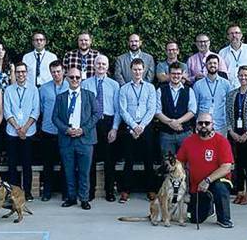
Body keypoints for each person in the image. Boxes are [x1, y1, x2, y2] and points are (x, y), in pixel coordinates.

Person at [176, 112, 234, 227]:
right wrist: (179, 175)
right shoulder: (189, 141)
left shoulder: (221, 141)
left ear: (212, 125)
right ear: (196, 125)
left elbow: (226, 167)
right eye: (200, 123)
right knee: (193, 219)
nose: (203, 125)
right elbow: (180, 161)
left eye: (207, 123)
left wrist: (207, 180)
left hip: (216, 181)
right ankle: (209, 209)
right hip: (197, 186)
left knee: (220, 188)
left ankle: (223, 219)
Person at [52, 67, 97, 210]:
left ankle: (84, 198)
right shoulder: (61, 97)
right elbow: (55, 117)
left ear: (81, 79)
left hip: (85, 139)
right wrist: (66, 130)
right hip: (67, 139)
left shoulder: (89, 95)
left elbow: (96, 114)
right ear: (67, 78)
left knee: (84, 172)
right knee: (68, 171)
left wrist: (83, 130)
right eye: (72, 77)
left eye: (77, 77)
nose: (75, 80)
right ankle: (71, 197)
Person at [115, 58, 158, 203]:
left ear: (144, 70)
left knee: (148, 159)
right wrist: (134, 126)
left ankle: (151, 189)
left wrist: (142, 126)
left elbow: (152, 109)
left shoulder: (150, 88)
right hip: (130, 127)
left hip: (146, 127)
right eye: (135, 69)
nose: (137, 72)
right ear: (131, 70)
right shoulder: (124, 88)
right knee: (129, 159)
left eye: (140, 69)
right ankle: (125, 190)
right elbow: (122, 110)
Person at [82, 55, 120, 202]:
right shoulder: (85, 83)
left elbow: (117, 109)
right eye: (98, 63)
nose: (101, 66)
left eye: (104, 64)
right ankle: (90, 191)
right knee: (90, 159)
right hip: (91, 124)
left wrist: (115, 128)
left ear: (107, 66)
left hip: (108, 123)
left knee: (109, 160)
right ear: (94, 65)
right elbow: (84, 108)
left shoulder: (114, 85)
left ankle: (109, 191)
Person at [225, 66, 247, 205]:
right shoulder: (232, 94)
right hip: (235, 133)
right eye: (241, 75)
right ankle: (239, 192)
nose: (243, 78)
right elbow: (227, 114)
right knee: (238, 165)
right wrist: (231, 131)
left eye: (246, 75)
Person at [3, 62, 40, 198]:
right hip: (12, 132)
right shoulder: (8, 90)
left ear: (27, 73)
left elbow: (36, 111)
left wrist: (24, 128)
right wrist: (18, 128)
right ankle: (14, 192)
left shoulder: (34, 89)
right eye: (18, 72)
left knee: (27, 164)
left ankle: (28, 192)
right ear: (15, 74)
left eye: (23, 71)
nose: (20, 74)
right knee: (12, 165)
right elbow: (7, 112)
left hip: (29, 132)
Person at [37, 60, 68, 201]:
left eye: (58, 71)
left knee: (65, 163)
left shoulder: (70, 86)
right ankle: (47, 192)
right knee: (47, 164)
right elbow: (42, 109)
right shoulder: (43, 88)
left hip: (65, 131)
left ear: (63, 71)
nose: (56, 74)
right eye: (53, 72)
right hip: (48, 130)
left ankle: (65, 192)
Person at [154, 62, 197, 155]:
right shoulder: (160, 90)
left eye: (178, 74)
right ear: (169, 75)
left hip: (185, 133)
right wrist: (171, 122)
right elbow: (157, 112)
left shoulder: (189, 90)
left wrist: (177, 122)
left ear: (182, 75)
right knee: (168, 165)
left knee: (186, 164)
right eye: (173, 73)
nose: (176, 76)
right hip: (166, 135)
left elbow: (192, 111)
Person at [192, 54, 232, 134]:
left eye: (215, 63)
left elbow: (229, 104)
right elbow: (195, 106)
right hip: (203, 126)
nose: (212, 65)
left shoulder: (226, 84)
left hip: (221, 125)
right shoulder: (198, 85)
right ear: (206, 65)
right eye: (210, 63)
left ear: (218, 65)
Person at [218, 25, 247, 89]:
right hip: (229, 89)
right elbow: (221, 73)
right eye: (231, 33)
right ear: (227, 36)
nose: (234, 35)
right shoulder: (222, 52)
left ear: (241, 35)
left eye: (236, 33)